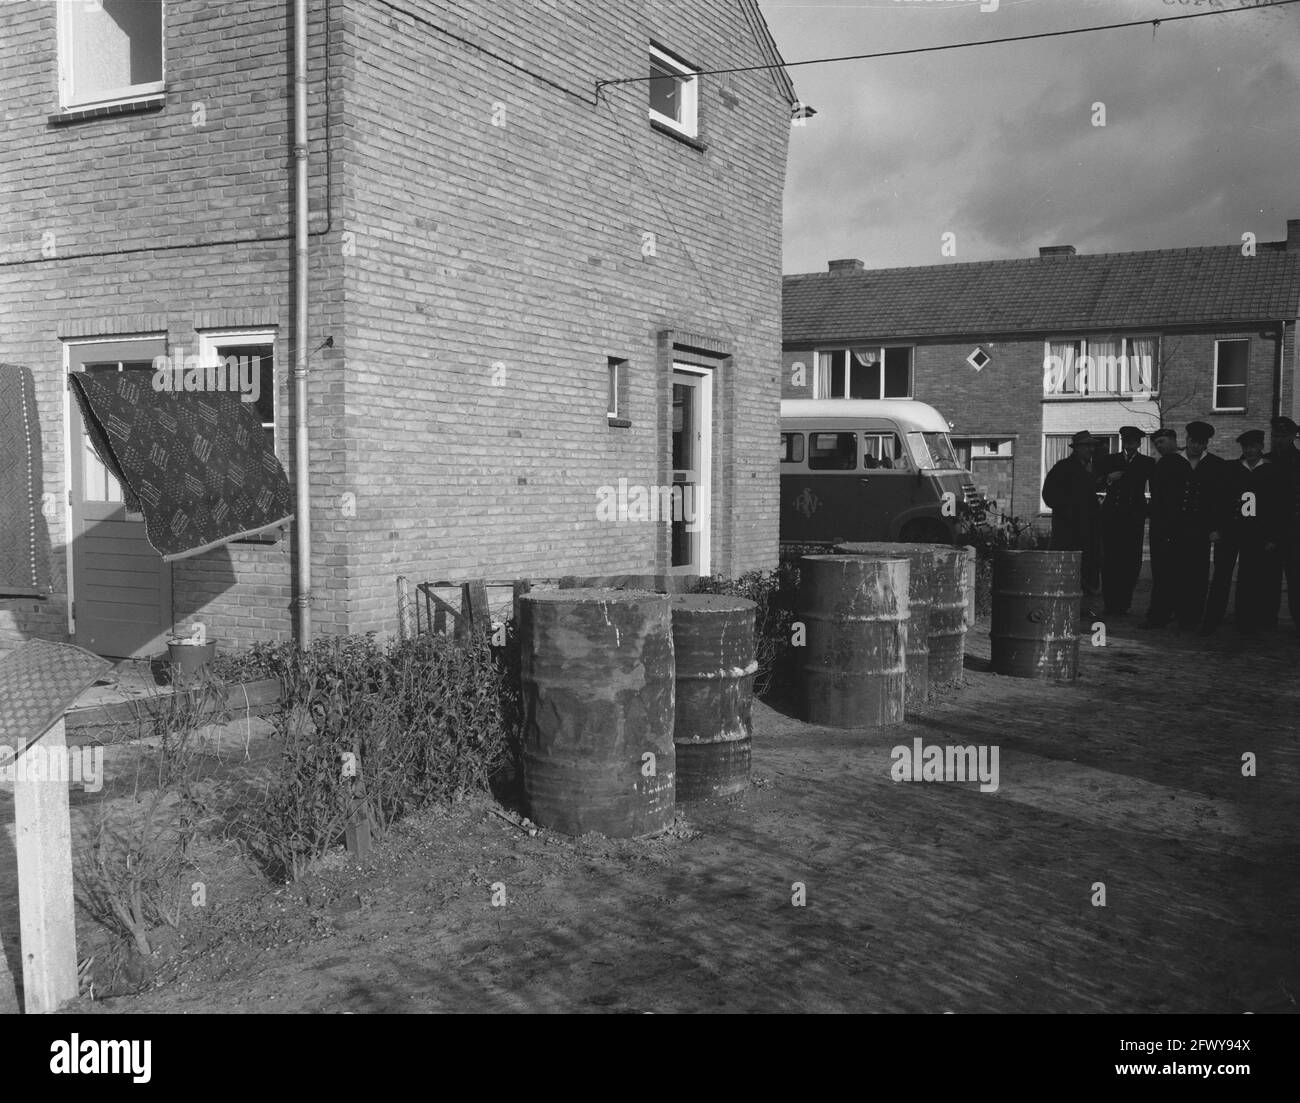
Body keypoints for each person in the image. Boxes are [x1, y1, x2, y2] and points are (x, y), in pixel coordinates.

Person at [1202, 429, 1285, 633]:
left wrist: (1272, 536)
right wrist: (1215, 528)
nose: (1249, 450)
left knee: (1249, 578)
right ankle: (1211, 620)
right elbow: (1218, 501)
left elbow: (1276, 507)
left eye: (1253, 446)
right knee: (1221, 576)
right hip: (1230, 531)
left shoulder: (1272, 471)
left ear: (1261, 447)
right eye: (1245, 447)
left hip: (1255, 533)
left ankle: (1245, 621)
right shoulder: (1231, 469)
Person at [1042, 429, 1102, 616]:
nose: (1091, 449)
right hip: (1068, 530)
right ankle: (1064, 607)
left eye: (1092, 446)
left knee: (1089, 567)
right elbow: (1048, 495)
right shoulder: (1063, 467)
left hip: (1089, 529)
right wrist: (1068, 510)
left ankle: (1085, 608)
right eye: (1086, 446)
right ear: (1076, 448)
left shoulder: (1093, 468)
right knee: (1067, 568)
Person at [1096, 425, 1154, 615]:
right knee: (1111, 560)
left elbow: (1155, 488)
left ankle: (1124, 603)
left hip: (1133, 517)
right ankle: (1110, 603)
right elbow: (1095, 481)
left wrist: (1146, 510)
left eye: (1133, 441)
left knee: (1130, 561)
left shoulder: (1147, 462)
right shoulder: (1110, 460)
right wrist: (1108, 478)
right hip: (1112, 516)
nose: (1129, 444)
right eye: (1126, 440)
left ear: (1139, 443)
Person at [1180, 421, 1229, 633]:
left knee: (1198, 574)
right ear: (1187, 440)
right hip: (1177, 528)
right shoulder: (1171, 463)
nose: (1195, 446)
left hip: (1202, 529)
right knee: (1177, 572)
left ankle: (1194, 615)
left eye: (1200, 443)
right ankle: (1180, 614)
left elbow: (1221, 501)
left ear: (1206, 444)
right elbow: (1163, 498)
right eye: (1192, 441)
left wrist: (1216, 528)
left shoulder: (1217, 465)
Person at [1141, 428, 1191, 629]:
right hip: (1165, 525)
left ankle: (1159, 615)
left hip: (1167, 527)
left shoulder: (1173, 463)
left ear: (1172, 440)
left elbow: (1170, 499)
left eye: (1161, 441)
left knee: (1164, 573)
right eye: (1156, 443)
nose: (1158, 446)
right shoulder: (1169, 463)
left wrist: (1168, 528)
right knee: (1169, 572)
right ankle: (1171, 612)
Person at [1265, 416, 1300, 637]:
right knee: (1269, 579)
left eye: (1283, 436)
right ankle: (1268, 621)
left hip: (1295, 530)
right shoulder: (1265, 461)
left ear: (1292, 437)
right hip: (1270, 530)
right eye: (1275, 435)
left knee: (1296, 580)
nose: (1278, 440)